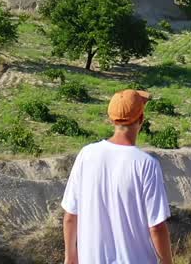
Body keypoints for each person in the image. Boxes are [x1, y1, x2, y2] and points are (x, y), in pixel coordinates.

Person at [62, 89, 173, 264]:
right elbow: (157, 227)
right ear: (141, 119)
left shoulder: (86, 155)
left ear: (111, 119)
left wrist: (70, 257)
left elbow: (70, 216)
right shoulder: (146, 164)